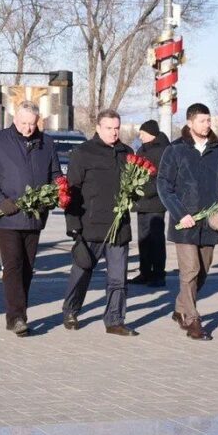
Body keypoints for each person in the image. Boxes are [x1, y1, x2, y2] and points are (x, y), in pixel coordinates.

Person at [0, 101, 62, 337]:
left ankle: (18, 313)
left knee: (27, 267)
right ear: (15, 119)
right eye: (23, 123)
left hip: (34, 216)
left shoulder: (46, 143)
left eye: (32, 124)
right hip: (7, 215)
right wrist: (0, 201)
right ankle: (16, 317)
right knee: (13, 265)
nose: (27, 128)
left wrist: (53, 196)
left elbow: (55, 175)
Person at [157, 103, 218, 341]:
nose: (207, 125)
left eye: (209, 120)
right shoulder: (175, 149)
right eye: (202, 121)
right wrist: (181, 213)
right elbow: (164, 185)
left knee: (202, 272)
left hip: (210, 222)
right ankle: (192, 320)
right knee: (190, 269)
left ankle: (180, 308)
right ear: (190, 123)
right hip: (185, 222)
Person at [62, 109, 138, 337]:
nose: (114, 132)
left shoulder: (127, 153)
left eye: (117, 128)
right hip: (90, 225)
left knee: (118, 278)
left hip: (118, 227)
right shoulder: (83, 152)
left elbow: (135, 186)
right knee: (82, 271)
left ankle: (115, 320)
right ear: (98, 128)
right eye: (109, 128)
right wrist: (73, 224)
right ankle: (71, 310)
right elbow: (71, 191)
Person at [129, 120, 170, 287]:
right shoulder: (142, 149)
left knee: (156, 240)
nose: (140, 136)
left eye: (143, 133)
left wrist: (146, 190)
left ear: (151, 133)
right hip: (142, 202)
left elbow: (163, 178)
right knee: (143, 239)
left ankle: (158, 274)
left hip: (155, 201)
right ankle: (145, 272)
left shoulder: (163, 150)